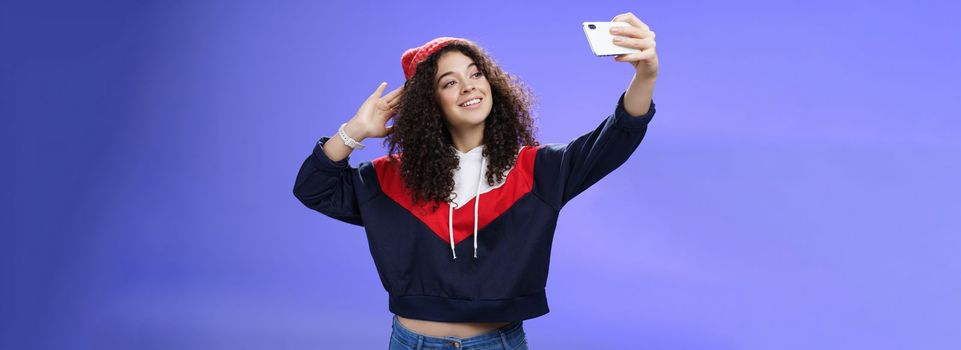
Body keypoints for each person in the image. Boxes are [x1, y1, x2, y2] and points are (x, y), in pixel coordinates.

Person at [293, 12, 658, 350]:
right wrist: (355, 131)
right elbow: (313, 187)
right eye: (449, 82)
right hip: (412, 343)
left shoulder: (536, 169)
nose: (468, 87)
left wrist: (645, 76)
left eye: (475, 73)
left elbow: (616, 139)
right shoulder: (388, 178)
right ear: (428, 103)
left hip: (498, 343)